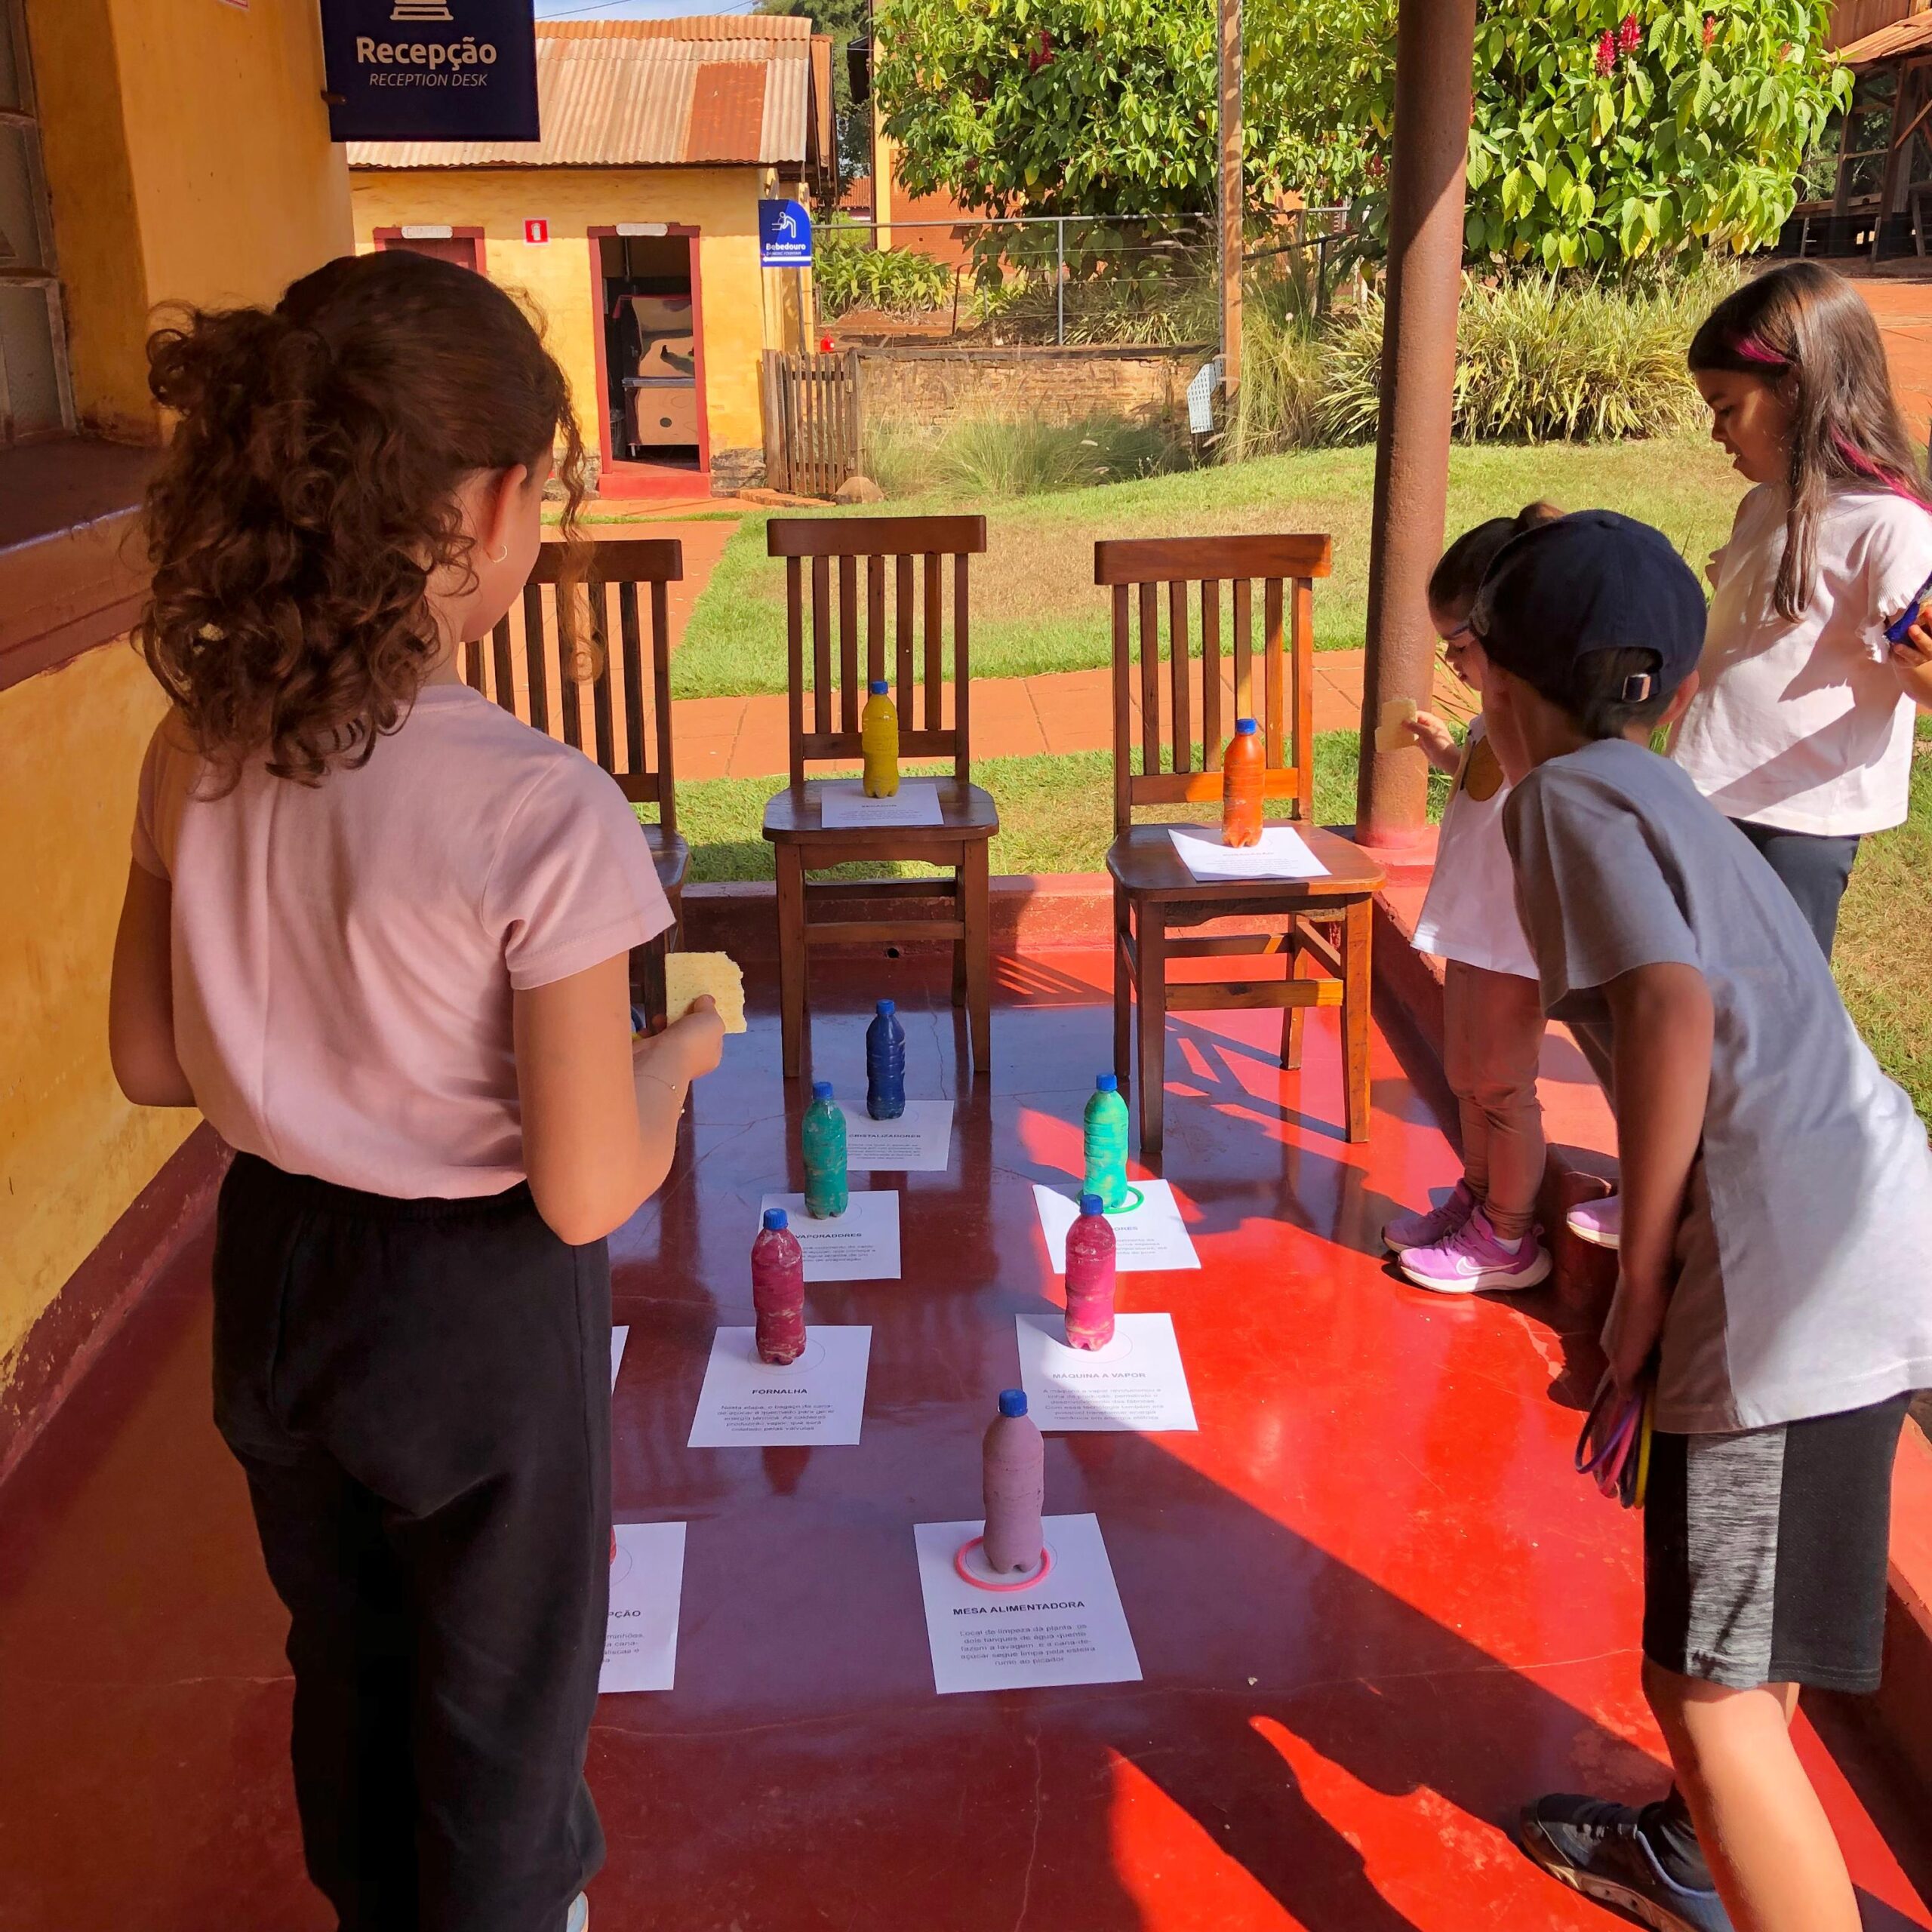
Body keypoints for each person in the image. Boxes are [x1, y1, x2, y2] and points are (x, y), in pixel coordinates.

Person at [106, 251, 724, 1932]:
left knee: (349, 1662)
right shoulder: (542, 808)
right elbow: (584, 1188)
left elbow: (152, 1057)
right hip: (472, 1318)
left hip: (273, 1281)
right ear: (495, 504)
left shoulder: (195, 744)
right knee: (502, 1722)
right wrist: (674, 1059)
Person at [1472, 509, 1932, 1932]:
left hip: (1783, 1267)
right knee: (1751, 1658)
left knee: (1707, 1699)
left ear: (1493, 681)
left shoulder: (1561, 800)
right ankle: (1692, 1863)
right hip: (1870, 1217)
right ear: (1672, 692)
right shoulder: (1670, 795)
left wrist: (1641, 1287)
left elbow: (1669, 1009)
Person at [1676, 260, 1932, 958]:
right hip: (1708, 792)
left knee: (1778, 997)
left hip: (1802, 819)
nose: (1716, 432)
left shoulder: (1892, 526)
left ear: (1797, 389)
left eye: (1727, 408)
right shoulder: (1761, 506)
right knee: (1697, 986)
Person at [1383, 502, 1564, 1294]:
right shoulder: (1496, 713)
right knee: (1466, 1074)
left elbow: (1537, 790)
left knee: (1502, 1082)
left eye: (1459, 645)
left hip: (1512, 935)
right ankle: (1480, 1200)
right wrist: (1447, 755)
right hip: (1471, 922)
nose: (1451, 661)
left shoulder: (1538, 712)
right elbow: (1487, 787)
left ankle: (1511, 1235)